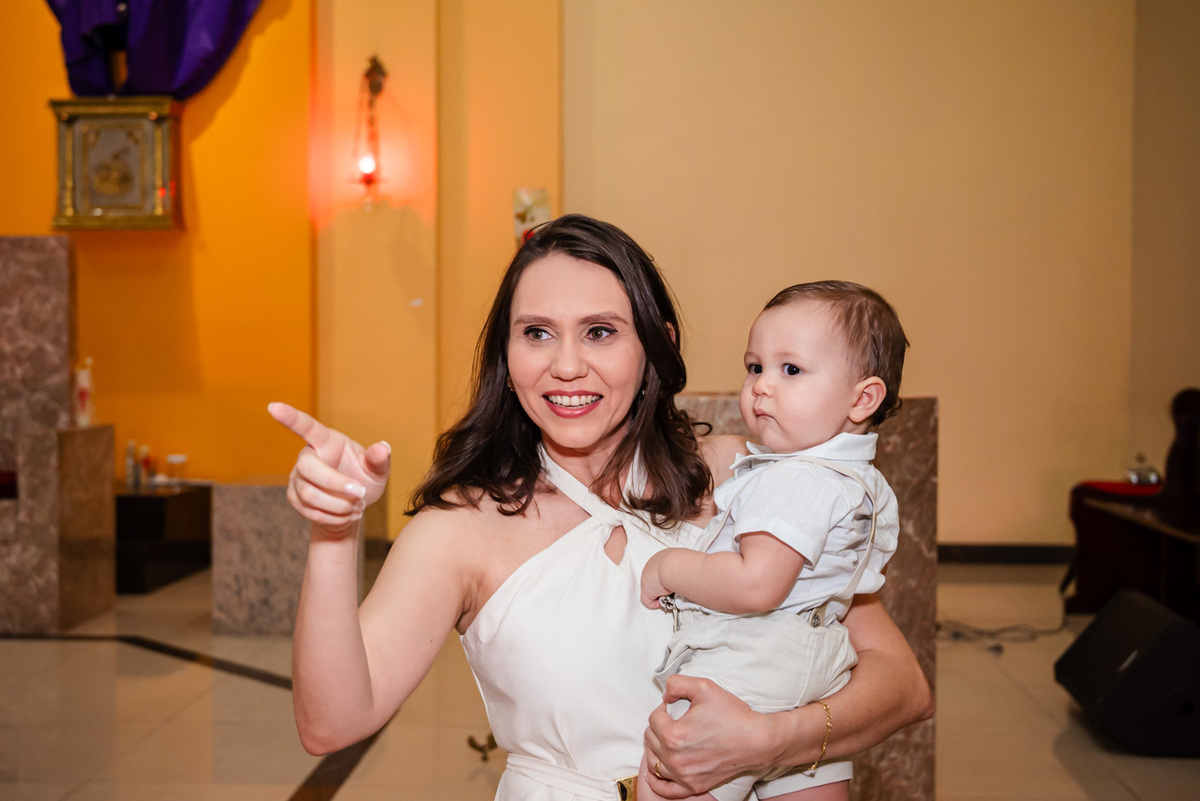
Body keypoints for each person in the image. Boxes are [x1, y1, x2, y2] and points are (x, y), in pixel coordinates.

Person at [269, 214, 933, 801]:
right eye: (537, 332)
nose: (566, 365)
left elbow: (903, 683)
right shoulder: (463, 529)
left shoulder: (740, 477)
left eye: (600, 332)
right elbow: (331, 723)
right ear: (507, 353)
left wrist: (771, 741)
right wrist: (334, 533)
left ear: (654, 345)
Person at [638, 281, 908, 801]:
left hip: (749, 664)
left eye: (791, 370)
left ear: (862, 398)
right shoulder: (857, 480)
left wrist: (670, 567)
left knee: (666, 782)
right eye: (755, 366)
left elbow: (757, 584)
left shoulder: (795, 478)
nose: (762, 385)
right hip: (823, 667)